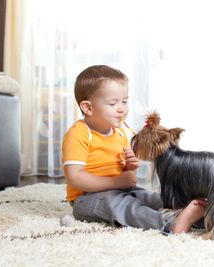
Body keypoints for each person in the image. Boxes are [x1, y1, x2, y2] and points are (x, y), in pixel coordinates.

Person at [62, 65, 205, 234]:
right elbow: (75, 178)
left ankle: (202, 216)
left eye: (124, 101)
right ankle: (171, 222)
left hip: (122, 190)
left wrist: (129, 168)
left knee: (154, 198)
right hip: (87, 199)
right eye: (113, 103)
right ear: (88, 108)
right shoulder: (79, 133)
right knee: (127, 206)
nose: (122, 108)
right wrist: (117, 182)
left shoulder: (119, 132)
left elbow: (121, 173)